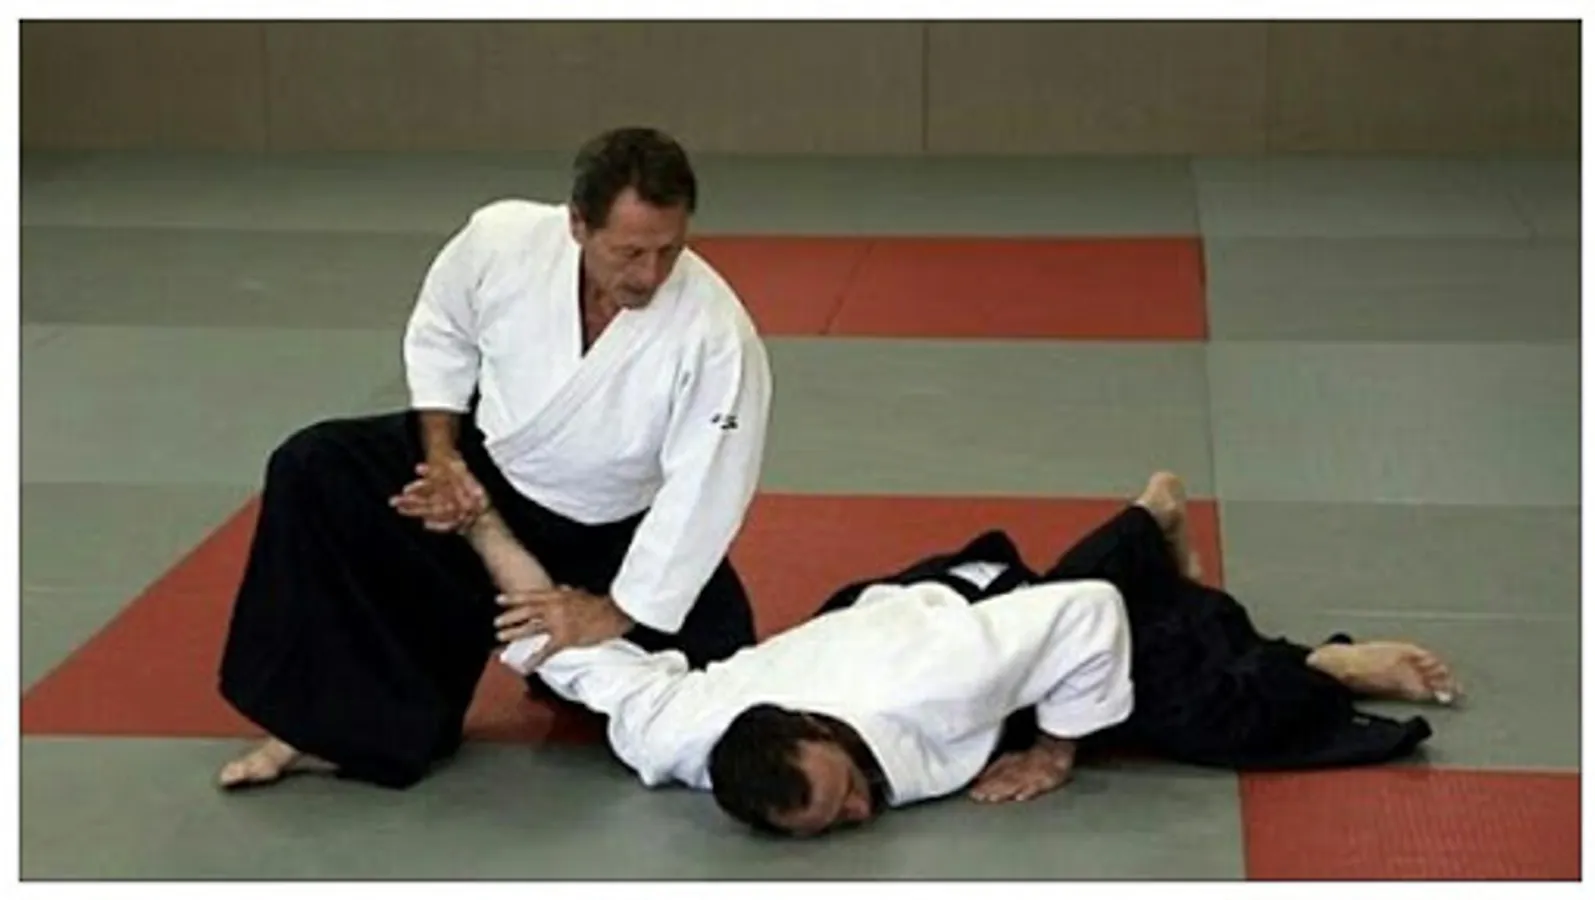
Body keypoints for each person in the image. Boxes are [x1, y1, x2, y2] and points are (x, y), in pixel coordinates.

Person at [215, 126, 773, 790]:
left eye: (668, 250)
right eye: (629, 252)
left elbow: (707, 487)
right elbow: (443, 331)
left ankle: (560, 666)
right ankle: (336, 729)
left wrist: (613, 611)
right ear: (577, 224)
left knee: (721, 692)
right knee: (316, 468)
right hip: (484, 474)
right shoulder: (502, 242)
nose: (649, 275)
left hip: (609, 534)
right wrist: (442, 459)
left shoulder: (715, 333)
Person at [473, 471, 1461, 836]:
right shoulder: (677, 730)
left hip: (960, 606)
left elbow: (1084, 615)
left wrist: (1057, 752)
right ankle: (1144, 523)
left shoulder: (935, 689)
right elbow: (552, 633)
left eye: (844, 791)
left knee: (1192, 710)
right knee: (1092, 665)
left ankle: (1321, 668)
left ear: (818, 727)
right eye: (831, 823)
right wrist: (477, 522)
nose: (860, 811)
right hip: (875, 618)